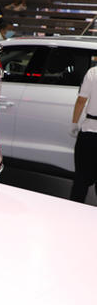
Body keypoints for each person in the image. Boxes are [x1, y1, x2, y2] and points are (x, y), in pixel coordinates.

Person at [70, 58, 97, 202]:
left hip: (90, 132)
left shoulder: (93, 72)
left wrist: (74, 123)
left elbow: (81, 100)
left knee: (81, 180)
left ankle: (74, 212)